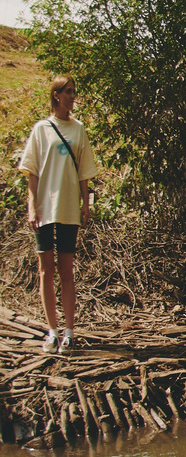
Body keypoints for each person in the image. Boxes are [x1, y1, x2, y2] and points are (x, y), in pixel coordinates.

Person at [19, 75, 99, 354]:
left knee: (66, 271)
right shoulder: (41, 129)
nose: (72, 96)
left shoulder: (78, 130)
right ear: (55, 95)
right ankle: (51, 331)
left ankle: (69, 332)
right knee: (45, 270)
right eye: (68, 92)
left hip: (67, 208)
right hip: (44, 208)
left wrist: (86, 203)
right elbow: (32, 173)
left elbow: (84, 173)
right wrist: (32, 205)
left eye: (74, 92)